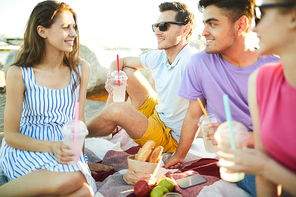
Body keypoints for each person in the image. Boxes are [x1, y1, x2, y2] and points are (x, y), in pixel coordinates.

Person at [164, 0, 279, 195]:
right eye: (204, 23)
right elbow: (193, 115)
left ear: (240, 25)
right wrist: (179, 155)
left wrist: (246, 137)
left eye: (213, 24)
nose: (204, 32)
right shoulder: (199, 64)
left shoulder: (274, 68)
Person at [0, 1, 97, 196]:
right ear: (42, 31)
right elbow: (10, 135)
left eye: (74, 27)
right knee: (76, 179)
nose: (74, 34)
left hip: (65, 149)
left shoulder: (81, 69)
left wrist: (83, 158)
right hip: (28, 147)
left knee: (85, 192)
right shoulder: (19, 73)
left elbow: (79, 121)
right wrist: (52, 146)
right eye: (65, 28)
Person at [87, 2, 196, 154]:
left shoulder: (191, 63)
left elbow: (199, 112)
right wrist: (113, 78)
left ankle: (76, 135)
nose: (157, 32)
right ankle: (107, 119)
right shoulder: (159, 56)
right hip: (158, 113)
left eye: (164, 26)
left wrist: (180, 154)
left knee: (119, 109)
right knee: (126, 72)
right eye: (156, 26)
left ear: (185, 29)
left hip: (170, 136)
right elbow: (119, 62)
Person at [216, 0, 296, 196]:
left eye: (261, 14)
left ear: (293, 17)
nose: (254, 27)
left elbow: (264, 167)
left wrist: (264, 167)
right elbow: (265, 178)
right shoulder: (262, 81)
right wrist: (262, 168)